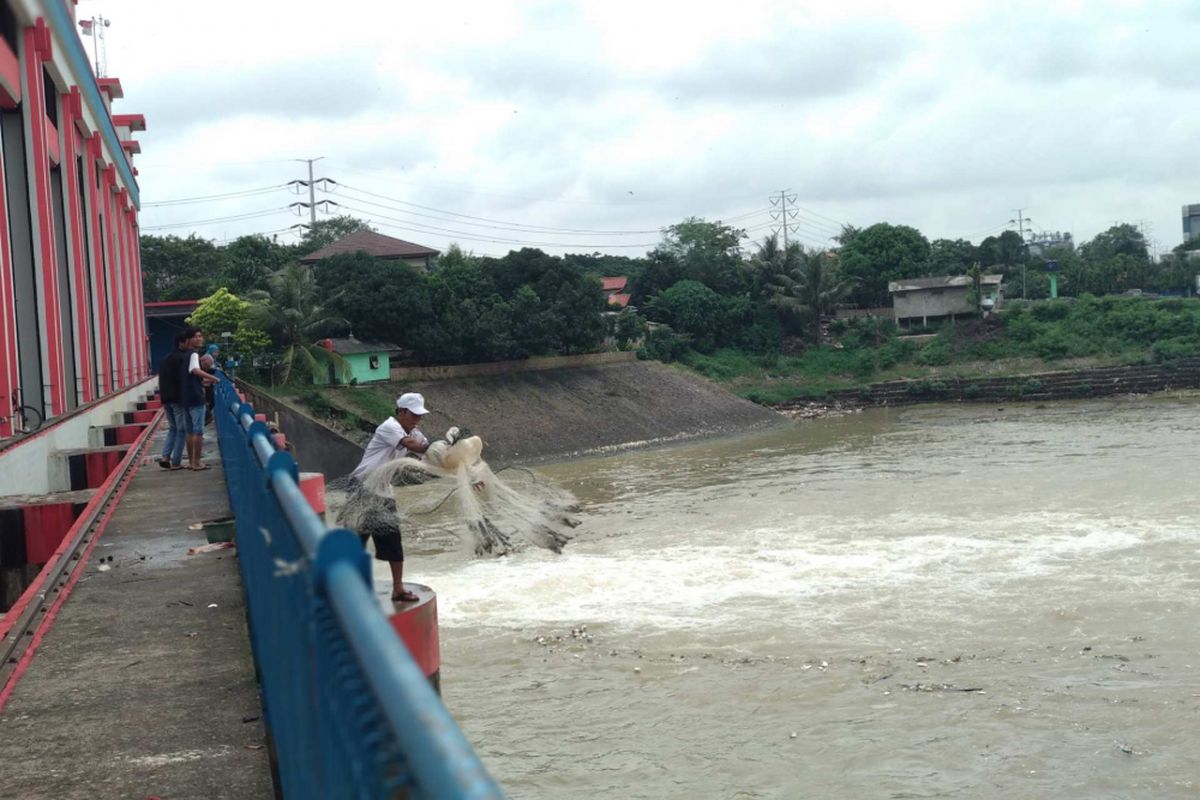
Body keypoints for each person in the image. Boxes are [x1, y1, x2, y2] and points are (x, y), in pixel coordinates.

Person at [342, 392, 430, 603]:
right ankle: (348, 586)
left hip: (382, 491)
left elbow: (431, 454)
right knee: (356, 540)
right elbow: (414, 447)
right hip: (362, 486)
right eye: (413, 414)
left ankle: (398, 588)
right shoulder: (389, 427)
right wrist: (439, 447)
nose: (417, 419)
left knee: (392, 538)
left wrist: (461, 463)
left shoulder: (415, 432)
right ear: (401, 411)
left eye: (420, 415)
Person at [178, 327, 218, 470]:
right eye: (197, 336)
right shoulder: (194, 354)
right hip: (195, 397)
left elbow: (189, 376)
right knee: (198, 431)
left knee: (190, 431)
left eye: (201, 336)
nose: (200, 338)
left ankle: (190, 462)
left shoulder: (183, 355)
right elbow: (195, 370)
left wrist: (202, 381)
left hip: (185, 397)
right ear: (189, 339)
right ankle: (197, 462)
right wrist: (213, 378)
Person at [156, 331, 192, 470]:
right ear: (181, 343)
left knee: (173, 428)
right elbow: (184, 380)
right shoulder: (183, 358)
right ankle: (176, 461)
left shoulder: (166, 358)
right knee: (182, 429)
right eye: (188, 341)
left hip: (165, 398)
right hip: (177, 398)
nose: (190, 344)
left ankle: (165, 456)